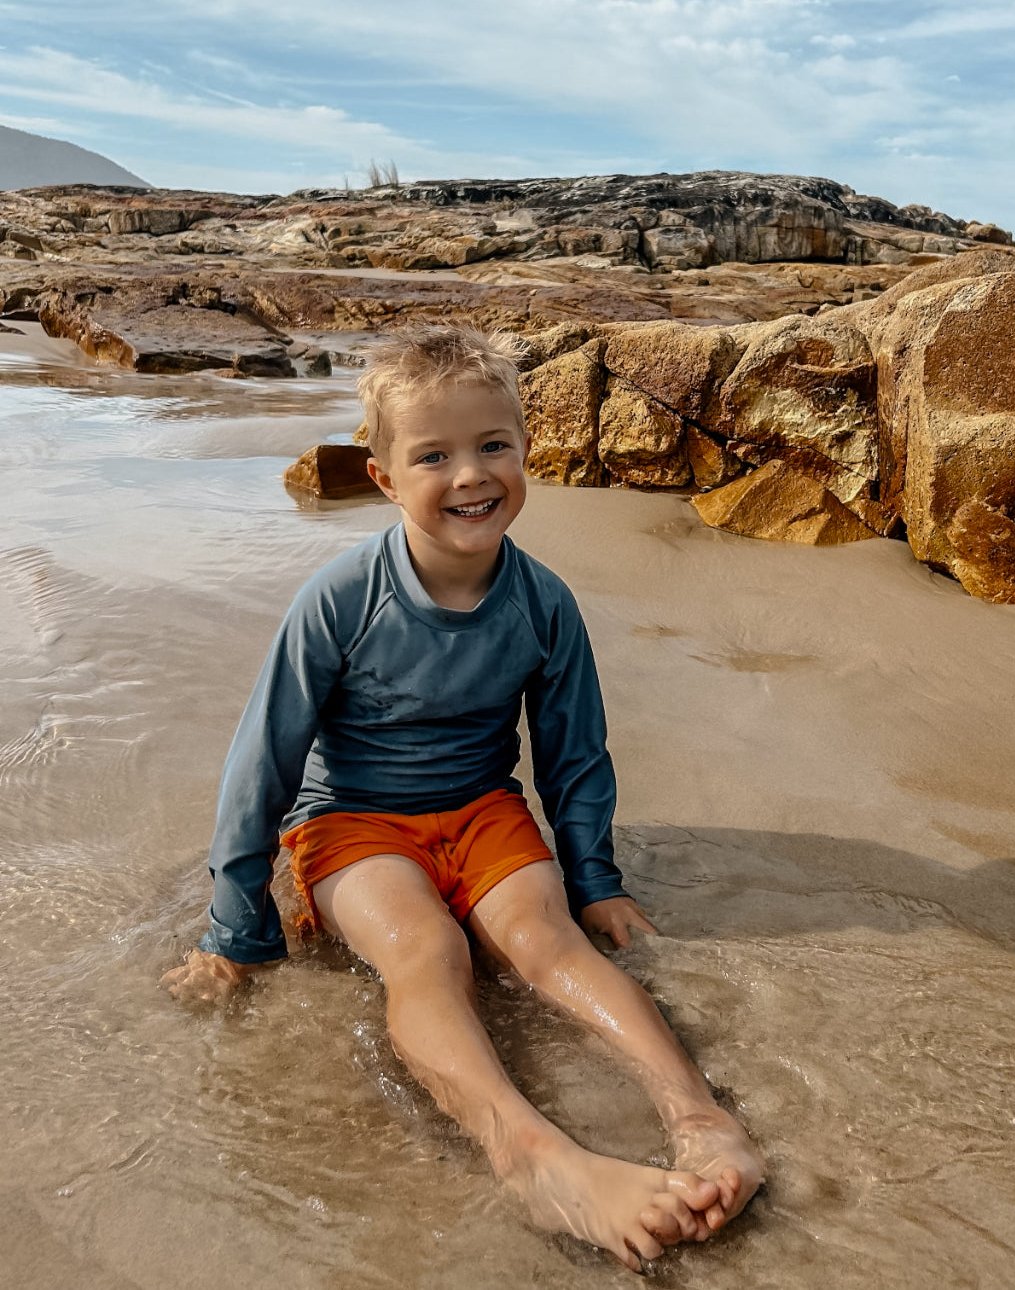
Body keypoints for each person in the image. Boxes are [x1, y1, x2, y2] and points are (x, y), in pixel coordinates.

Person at [162, 323, 764, 1271]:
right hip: (350, 824)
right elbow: (262, 760)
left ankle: (702, 1119)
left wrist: (596, 879)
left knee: (547, 939)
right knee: (428, 952)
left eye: (493, 445)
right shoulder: (341, 597)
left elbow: (573, 754)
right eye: (433, 455)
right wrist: (235, 926)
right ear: (384, 478)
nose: (471, 475)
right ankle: (530, 1155)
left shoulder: (544, 602)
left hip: (482, 811)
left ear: (528, 452)